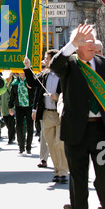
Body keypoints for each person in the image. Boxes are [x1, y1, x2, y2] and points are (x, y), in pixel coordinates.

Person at [50, 23, 105, 209]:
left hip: (100, 131)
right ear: (78, 46)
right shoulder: (69, 65)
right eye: (86, 41)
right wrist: (71, 45)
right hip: (76, 134)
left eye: (93, 40)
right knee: (79, 185)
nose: (91, 44)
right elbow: (54, 65)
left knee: (103, 181)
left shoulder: (102, 65)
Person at [24, 50, 68, 183]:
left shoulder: (65, 74)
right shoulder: (45, 74)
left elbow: (70, 91)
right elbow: (32, 83)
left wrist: (58, 96)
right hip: (47, 113)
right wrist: (27, 67)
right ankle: (57, 171)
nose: (44, 61)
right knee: (51, 144)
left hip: (60, 113)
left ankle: (63, 171)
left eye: (47, 59)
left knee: (60, 143)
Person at [8, 72, 34, 155]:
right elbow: (12, 96)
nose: (22, 73)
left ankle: (29, 147)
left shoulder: (31, 81)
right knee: (19, 126)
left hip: (29, 106)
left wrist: (31, 88)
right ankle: (21, 146)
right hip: (19, 107)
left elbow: (35, 93)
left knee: (30, 126)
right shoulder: (15, 83)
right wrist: (10, 107)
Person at [0, 71, 16, 144]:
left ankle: (11, 138)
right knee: (6, 121)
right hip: (3, 104)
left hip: (12, 105)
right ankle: (12, 134)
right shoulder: (2, 80)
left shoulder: (15, 81)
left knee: (11, 121)